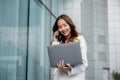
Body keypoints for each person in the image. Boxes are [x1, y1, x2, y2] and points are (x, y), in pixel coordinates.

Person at [50, 14, 88, 80]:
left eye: (65, 25)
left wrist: (70, 69)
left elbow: (84, 64)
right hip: (58, 77)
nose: (63, 29)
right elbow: (55, 60)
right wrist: (55, 41)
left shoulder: (79, 39)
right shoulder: (60, 41)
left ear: (70, 25)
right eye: (60, 27)